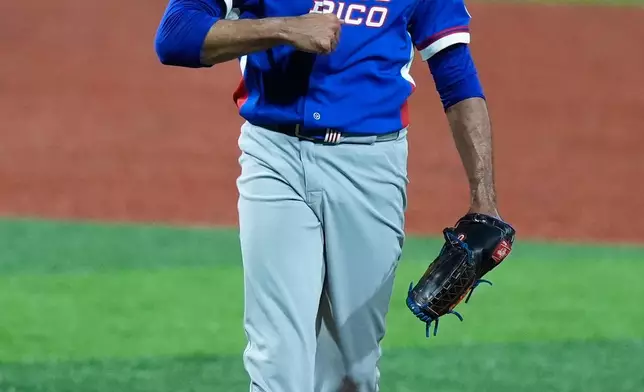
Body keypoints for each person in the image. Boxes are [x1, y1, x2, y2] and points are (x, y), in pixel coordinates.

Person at [154, 0, 501, 391]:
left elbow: (455, 73)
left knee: (351, 370)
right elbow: (175, 37)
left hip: (372, 166)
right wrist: (285, 28)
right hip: (275, 155)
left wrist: (484, 200)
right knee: (276, 358)